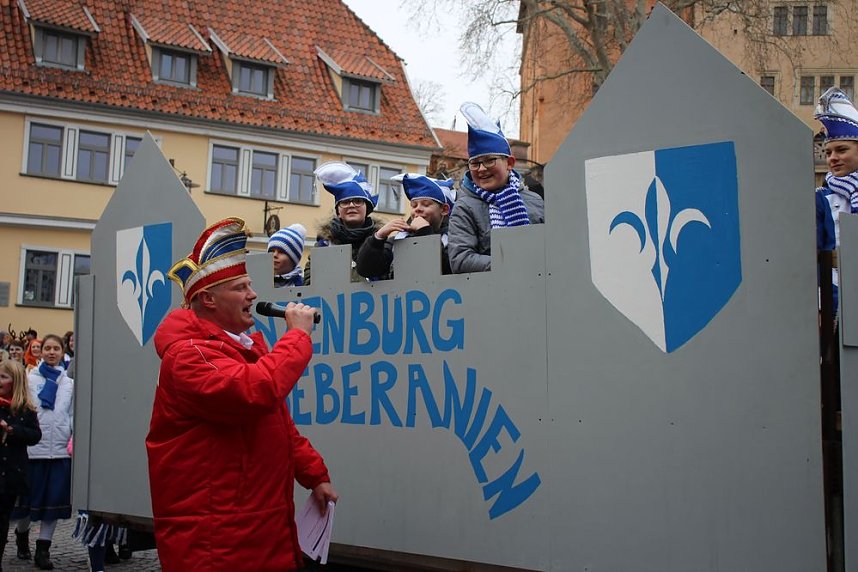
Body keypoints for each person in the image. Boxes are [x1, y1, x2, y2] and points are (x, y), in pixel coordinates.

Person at [147, 217, 337, 572]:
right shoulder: (188, 356)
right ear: (208, 299)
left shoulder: (241, 348)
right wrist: (297, 337)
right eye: (240, 288)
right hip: (215, 538)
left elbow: (277, 424)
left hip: (256, 528)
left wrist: (314, 474)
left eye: (250, 285)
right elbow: (256, 393)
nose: (252, 295)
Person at [448, 102, 545, 274]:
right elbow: (461, 260)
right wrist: (511, 264)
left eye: (489, 160)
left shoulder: (535, 201)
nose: (482, 169)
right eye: (475, 163)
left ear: (509, 163)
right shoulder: (464, 207)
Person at [13, 334, 73, 570]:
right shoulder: (29, 379)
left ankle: (43, 550)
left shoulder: (69, 383)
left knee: (52, 504)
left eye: (55, 348)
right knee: (26, 504)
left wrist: (70, 433)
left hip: (58, 451)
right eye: (47, 348)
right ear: (39, 351)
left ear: (61, 352)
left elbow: (72, 414)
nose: (51, 352)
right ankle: (21, 537)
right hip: (32, 451)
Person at [356, 173, 456, 279]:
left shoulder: (453, 240)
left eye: (426, 204)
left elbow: (445, 268)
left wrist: (424, 232)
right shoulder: (398, 240)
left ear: (444, 209)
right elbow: (366, 270)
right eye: (414, 205)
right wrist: (378, 238)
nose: (418, 209)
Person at [815, 87, 858, 314]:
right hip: (835, 301)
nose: (833, 158)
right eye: (829, 152)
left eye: (841, 150)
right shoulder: (821, 198)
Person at [305, 162, 381, 284]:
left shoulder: (381, 243)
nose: (351, 205)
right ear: (338, 211)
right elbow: (309, 283)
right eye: (345, 202)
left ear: (367, 209)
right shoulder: (324, 246)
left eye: (357, 201)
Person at [0, 360, 41, 566]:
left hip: (11, 473)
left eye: (3, 377)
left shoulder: (25, 410)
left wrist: (12, 431)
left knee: (3, 519)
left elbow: (35, 435)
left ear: (15, 382)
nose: (0, 381)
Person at [268, 223, 307, 287]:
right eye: (272, 251)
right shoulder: (257, 282)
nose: (274, 255)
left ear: (294, 259)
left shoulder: (302, 286)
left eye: (281, 252)